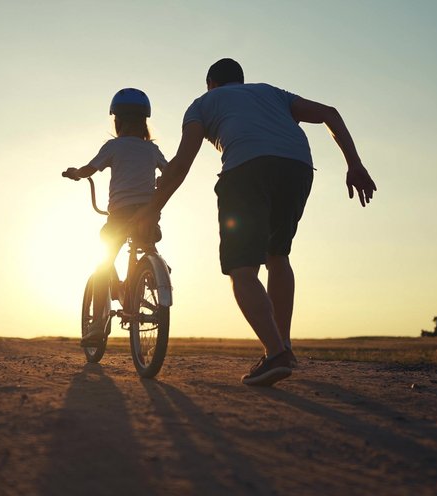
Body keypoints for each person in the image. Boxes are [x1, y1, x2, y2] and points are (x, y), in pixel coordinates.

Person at [133, 58, 377, 386]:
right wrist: (355, 165)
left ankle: (275, 353)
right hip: (298, 167)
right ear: (241, 81)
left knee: (242, 269)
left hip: (246, 171)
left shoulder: (203, 104)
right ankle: (284, 347)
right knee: (278, 255)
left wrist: (151, 210)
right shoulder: (271, 93)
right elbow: (329, 113)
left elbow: (181, 165)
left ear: (211, 85)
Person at [63, 88, 168, 347]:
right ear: (145, 122)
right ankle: (152, 274)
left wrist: (76, 173)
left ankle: (98, 324)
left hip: (119, 216)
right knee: (148, 244)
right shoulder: (152, 150)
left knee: (104, 263)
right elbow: (169, 171)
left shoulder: (113, 146)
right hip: (147, 216)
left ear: (117, 120)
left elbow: (90, 169)